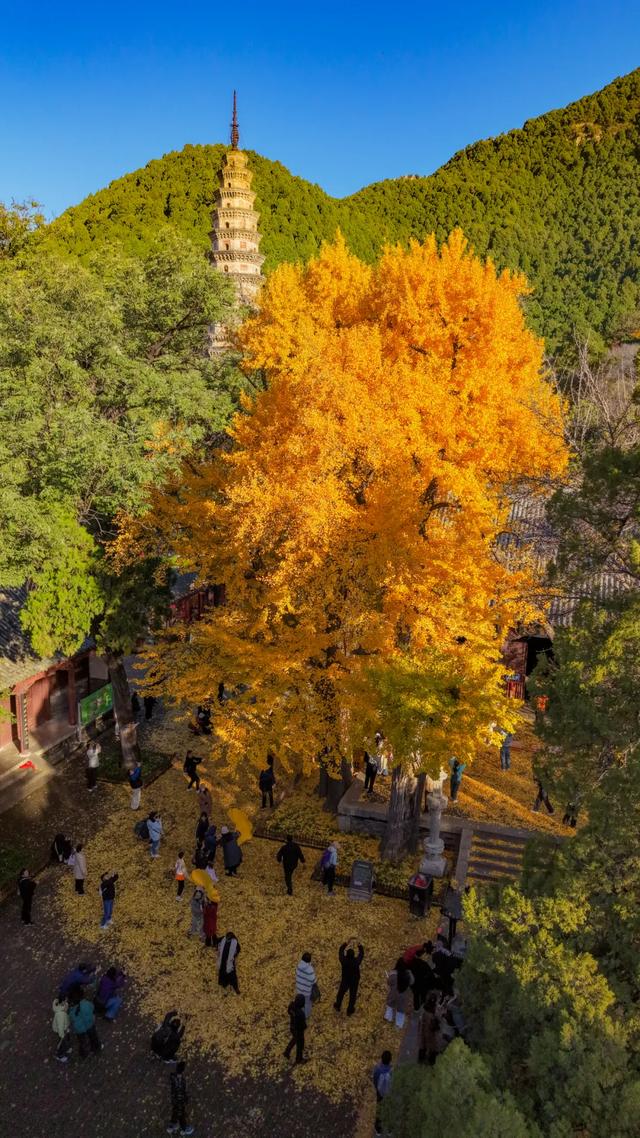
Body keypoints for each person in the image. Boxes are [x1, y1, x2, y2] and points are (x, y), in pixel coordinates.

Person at [68, 986, 102, 1057]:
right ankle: (96, 1048)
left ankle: (84, 1054)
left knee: (82, 1042)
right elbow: (92, 1008)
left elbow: (71, 1019)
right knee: (93, 1037)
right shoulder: (86, 1004)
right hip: (90, 1024)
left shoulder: (71, 1011)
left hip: (80, 1030)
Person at [334, 939, 364, 1016]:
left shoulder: (344, 960)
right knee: (352, 995)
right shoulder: (356, 962)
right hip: (354, 980)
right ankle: (350, 1010)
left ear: (346, 954)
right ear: (354, 955)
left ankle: (338, 1005)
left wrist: (345, 943)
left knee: (341, 993)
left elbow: (340, 951)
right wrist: (359, 945)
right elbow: (361, 955)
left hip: (345, 979)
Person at [384, 958, 414, 1028]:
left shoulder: (393, 974)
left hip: (394, 993)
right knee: (401, 1009)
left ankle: (388, 1017)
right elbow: (412, 982)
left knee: (390, 1005)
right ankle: (399, 1024)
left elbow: (389, 982)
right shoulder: (408, 974)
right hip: (403, 994)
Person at [167, 1060, 194, 1136]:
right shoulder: (181, 1117)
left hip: (178, 1099)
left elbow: (177, 1114)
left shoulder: (180, 1117)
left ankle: (177, 1068)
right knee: (179, 1085)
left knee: (178, 1085)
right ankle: (178, 1068)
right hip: (179, 1099)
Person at [418, 991, 445, 1065]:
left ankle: (421, 1060)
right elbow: (440, 1019)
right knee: (433, 1047)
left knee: (422, 1045)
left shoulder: (424, 1008)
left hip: (424, 1030)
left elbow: (421, 1019)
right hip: (433, 1032)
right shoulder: (437, 1009)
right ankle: (431, 1062)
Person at [372, 1050, 393, 1136]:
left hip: (380, 1093)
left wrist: (377, 1089)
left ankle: (378, 1129)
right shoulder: (392, 1070)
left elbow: (375, 1080)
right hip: (389, 1094)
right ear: (390, 1060)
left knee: (379, 1110)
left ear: (381, 1059)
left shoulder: (377, 1069)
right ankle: (389, 1129)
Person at [283, 993, 307, 1064]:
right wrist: (305, 1027)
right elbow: (302, 1025)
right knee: (299, 1044)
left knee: (294, 1039)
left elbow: (288, 1012)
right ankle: (299, 1059)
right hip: (298, 1030)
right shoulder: (301, 1014)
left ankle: (287, 1051)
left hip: (292, 1027)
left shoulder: (291, 1006)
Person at [295, 952, 317, 1021]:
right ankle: (306, 1015)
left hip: (299, 988)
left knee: (300, 1002)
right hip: (307, 990)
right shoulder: (310, 969)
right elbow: (313, 980)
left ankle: (300, 1011)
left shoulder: (299, 965)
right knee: (307, 1003)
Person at [52, 996, 72, 1062]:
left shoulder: (62, 1010)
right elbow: (60, 1026)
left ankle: (67, 1048)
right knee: (62, 1043)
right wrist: (62, 1035)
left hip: (65, 1029)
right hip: (62, 1031)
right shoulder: (61, 1015)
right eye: (66, 1002)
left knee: (67, 1039)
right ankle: (60, 1055)